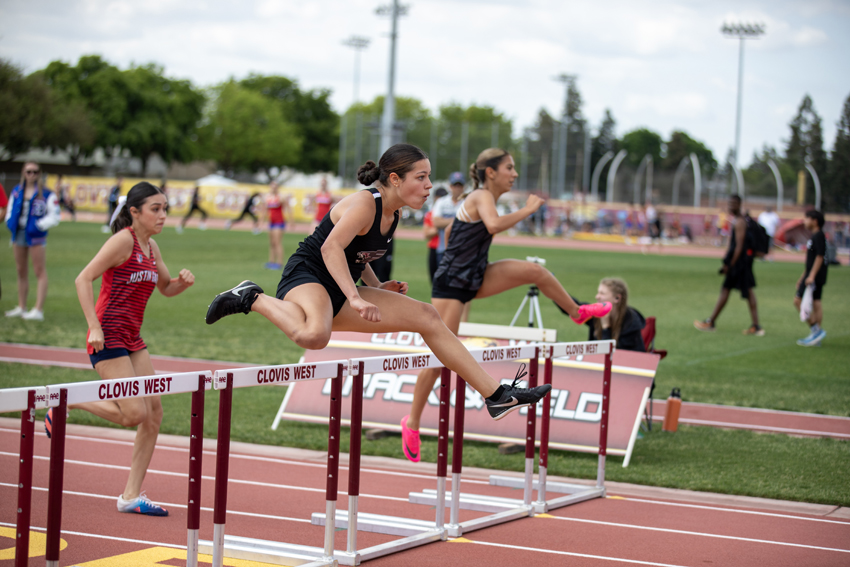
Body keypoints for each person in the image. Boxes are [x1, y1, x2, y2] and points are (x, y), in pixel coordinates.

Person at [205, 143, 553, 435]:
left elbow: (359, 254)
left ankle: (496, 395)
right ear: (395, 179)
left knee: (427, 316)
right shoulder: (364, 203)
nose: (430, 185)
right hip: (309, 274)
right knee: (314, 335)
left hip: (341, 281)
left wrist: (375, 285)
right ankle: (251, 296)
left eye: (429, 176)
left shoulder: (394, 212)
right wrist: (355, 296)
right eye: (422, 177)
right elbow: (331, 249)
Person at [400, 148, 612, 463]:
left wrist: (458, 238)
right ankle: (412, 422)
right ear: (490, 172)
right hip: (452, 285)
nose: (514, 174)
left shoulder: (482, 199)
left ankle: (577, 312)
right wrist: (528, 209)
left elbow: (454, 229)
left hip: (476, 274)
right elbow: (495, 226)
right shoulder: (482, 195)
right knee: (440, 358)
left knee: (536, 272)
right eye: (509, 168)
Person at [56, 181, 194, 516]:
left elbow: (165, 288)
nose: (163, 216)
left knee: (154, 414)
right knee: (134, 414)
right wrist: (93, 326)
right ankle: (68, 400)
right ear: (134, 212)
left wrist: (181, 283)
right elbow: (82, 278)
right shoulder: (123, 242)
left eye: (165, 209)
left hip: (132, 339)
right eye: (155, 209)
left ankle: (130, 496)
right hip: (107, 337)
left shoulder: (152, 247)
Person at [694, 194, 763, 335]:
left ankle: (712, 322)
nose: (730, 206)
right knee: (737, 291)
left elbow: (738, 245)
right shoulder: (739, 220)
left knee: (736, 291)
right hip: (741, 263)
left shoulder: (740, 222)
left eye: (733, 203)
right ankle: (754, 326)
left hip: (739, 264)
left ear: (739, 204)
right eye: (729, 203)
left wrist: (730, 264)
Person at [5, 162, 61, 321]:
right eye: (28, 172)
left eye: (35, 172)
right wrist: (10, 223)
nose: (31, 175)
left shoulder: (47, 194)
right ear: (23, 173)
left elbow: (55, 215)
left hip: (36, 235)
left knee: (39, 270)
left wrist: (39, 225)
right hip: (18, 233)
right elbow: (10, 210)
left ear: (39, 173)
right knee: (20, 270)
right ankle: (21, 306)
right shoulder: (17, 191)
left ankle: (38, 309)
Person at [580, 278, 646, 352]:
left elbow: (611, 355)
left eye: (602, 293)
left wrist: (605, 328)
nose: (597, 296)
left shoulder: (630, 322)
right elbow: (574, 308)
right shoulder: (597, 312)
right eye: (598, 293)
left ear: (617, 298)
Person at [794, 210, 828, 347]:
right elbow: (812, 260)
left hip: (815, 276)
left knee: (797, 301)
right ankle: (816, 337)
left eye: (807, 218)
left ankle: (816, 331)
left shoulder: (818, 236)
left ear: (815, 221)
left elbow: (820, 257)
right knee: (816, 303)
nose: (804, 221)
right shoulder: (815, 236)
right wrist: (803, 276)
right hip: (813, 274)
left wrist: (811, 275)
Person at [424, 187, 448, 283]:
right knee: (433, 280)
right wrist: (441, 226)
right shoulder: (431, 214)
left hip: (446, 248)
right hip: (434, 248)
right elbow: (426, 233)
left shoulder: (448, 213)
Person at [264, 182, 287, 270]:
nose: (273, 188)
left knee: (277, 243)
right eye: (272, 186)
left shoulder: (280, 198)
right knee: (272, 243)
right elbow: (265, 210)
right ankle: (271, 261)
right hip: (271, 222)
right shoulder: (268, 198)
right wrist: (261, 221)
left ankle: (279, 263)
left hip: (279, 222)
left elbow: (288, 208)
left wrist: (291, 221)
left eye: (275, 187)